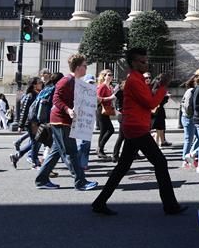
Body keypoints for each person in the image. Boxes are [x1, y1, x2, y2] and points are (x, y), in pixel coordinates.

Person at [92, 47, 186, 216]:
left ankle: (99, 202)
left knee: (122, 167)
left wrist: (158, 85)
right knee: (160, 163)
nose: (146, 63)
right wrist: (163, 87)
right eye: (142, 61)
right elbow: (150, 103)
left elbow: (147, 99)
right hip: (137, 128)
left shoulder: (136, 79)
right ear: (134, 63)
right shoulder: (134, 80)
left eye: (146, 60)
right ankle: (170, 206)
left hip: (134, 127)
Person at [34, 54, 98, 191]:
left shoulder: (76, 81)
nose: (86, 68)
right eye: (85, 66)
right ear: (78, 67)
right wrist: (68, 109)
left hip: (64, 120)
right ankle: (80, 182)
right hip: (61, 121)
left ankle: (41, 179)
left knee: (56, 151)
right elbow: (56, 99)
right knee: (71, 152)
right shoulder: (66, 80)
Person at [9, 77, 43, 168]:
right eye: (39, 82)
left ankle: (16, 156)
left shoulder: (38, 94)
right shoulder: (30, 96)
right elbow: (24, 111)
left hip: (37, 122)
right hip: (31, 122)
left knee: (36, 142)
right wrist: (21, 124)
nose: (41, 83)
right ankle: (35, 162)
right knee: (36, 142)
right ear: (34, 85)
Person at [180, 69, 199, 170]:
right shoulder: (192, 90)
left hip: (191, 117)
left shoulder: (197, 89)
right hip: (188, 118)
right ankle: (185, 160)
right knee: (189, 139)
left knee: (198, 139)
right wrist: (191, 115)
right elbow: (186, 106)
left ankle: (192, 156)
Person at [96, 69, 118, 160]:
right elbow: (98, 99)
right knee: (110, 130)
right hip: (101, 110)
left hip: (106, 110)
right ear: (104, 76)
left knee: (104, 130)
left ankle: (100, 150)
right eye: (108, 75)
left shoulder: (109, 87)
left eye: (112, 75)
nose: (110, 76)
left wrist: (113, 96)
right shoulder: (102, 86)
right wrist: (110, 97)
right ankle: (100, 149)